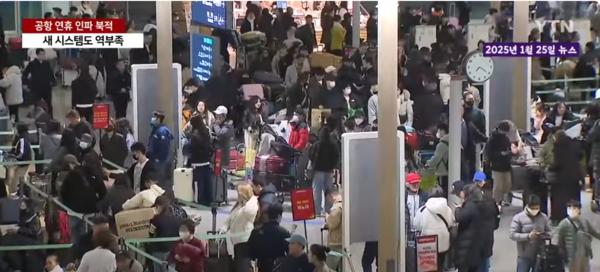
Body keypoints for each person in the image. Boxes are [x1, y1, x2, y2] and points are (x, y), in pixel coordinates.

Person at [413, 187, 455, 272]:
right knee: (440, 265)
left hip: (427, 244)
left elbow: (416, 225)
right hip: (443, 243)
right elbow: (451, 222)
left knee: (427, 268)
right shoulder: (447, 209)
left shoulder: (423, 209)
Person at [60, 155, 100, 241]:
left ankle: (76, 252)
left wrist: (66, 206)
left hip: (74, 210)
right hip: (90, 209)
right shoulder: (92, 174)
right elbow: (102, 190)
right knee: (89, 234)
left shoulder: (69, 176)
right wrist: (96, 201)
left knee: (75, 234)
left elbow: (63, 192)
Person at [220, 184, 258, 272]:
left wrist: (252, 198)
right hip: (237, 242)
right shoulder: (238, 205)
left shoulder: (251, 206)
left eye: (239, 193)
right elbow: (229, 219)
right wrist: (223, 228)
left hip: (245, 241)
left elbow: (249, 211)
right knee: (239, 266)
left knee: (243, 267)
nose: (238, 195)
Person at [510, 194, 551, 272]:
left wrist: (545, 235)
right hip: (524, 255)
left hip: (539, 254)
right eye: (532, 208)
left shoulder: (543, 217)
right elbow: (512, 234)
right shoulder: (518, 217)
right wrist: (528, 236)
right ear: (527, 206)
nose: (535, 210)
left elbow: (550, 231)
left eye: (537, 208)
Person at [549, 130, 583, 223]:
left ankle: (560, 218)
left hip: (562, 178)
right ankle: (575, 217)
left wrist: (550, 168)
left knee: (560, 198)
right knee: (574, 197)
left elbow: (558, 163)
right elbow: (580, 155)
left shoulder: (558, 147)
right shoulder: (574, 144)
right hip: (575, 176)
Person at [557, 200, 600, 271]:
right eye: (569, 208)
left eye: (574, 208)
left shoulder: (584, 221)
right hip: (572, 257)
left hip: (584, 255)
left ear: (579, 210)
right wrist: (564, 257)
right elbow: (560, 242)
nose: (571, 210)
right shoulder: (563, 224)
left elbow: (593, 232)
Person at [248, 203, 291, 272]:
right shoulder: (284, 233)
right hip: (278, 267)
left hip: (262, 266)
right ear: (279, 216)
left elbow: (250, 252)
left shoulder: (256, 232)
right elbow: (290, 253)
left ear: (267, 216)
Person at [452, 182, 484, 272]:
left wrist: (458, 208)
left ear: (464, 192)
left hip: (468, 249)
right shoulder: (473, 203)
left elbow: (460, 217)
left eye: (458, 193)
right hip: (471, 247)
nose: (458, 196)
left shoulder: (470, 205)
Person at [148, 195, 181, 272]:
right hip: (173, 250)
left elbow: (151, 233)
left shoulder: (156, 219)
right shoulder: (177, 219)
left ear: (158, 206)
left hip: (159, 249)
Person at [310, 127, 339, 216]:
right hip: (329, 170)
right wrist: (332, 166)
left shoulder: (317, 144)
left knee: (317, 191)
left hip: (318, 170)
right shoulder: (333, 145)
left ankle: (317, 210)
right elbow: (336, 156)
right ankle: (328, 210)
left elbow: (311, 155)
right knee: (328, 191)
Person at [485, 120, 513, 208]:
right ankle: (496, 204)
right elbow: (489, 153)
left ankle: (502, 200)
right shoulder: (492, 139)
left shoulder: (505, 138)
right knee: (498, 186)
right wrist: (500, 154)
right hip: (497, 166)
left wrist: (509, 153)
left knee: (507, 185)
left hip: (506, 165)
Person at [187, 116, 213, 206]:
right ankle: (208, 199)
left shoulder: (194, 134)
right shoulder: (206, 131)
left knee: (198, 183)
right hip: (206, 161)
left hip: (197, 163)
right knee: (207, 181)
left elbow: (191, 148)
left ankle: (200, 200)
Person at [22, 49, 56, 116]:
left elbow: (50, 73)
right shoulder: (32, 64)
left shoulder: (46, 63)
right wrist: (26, 84)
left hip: (46, 87)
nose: (43, 56)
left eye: (44, 54)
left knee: (49, 102)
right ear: (37, 55)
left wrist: (53, 81)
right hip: (36, 87)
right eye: (41, 54)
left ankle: (50, 116)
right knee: (36, 103)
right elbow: (25, 74)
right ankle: (37, 117)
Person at [405, 172, 428, 272]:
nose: (415, 185)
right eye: (413, 183)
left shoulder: (425, 196)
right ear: (407, 184)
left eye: (417, 183)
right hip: (408, 234)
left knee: (422, 263)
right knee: (410, 262)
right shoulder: (403, 197)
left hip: (422, 234)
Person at [148, 110, 173, 185]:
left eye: (154, 117)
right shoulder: (155, 130)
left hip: (161, 163)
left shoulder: (162, 131)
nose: (152, 119)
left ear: (159, 119)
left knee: (161, 183)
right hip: (156, 161)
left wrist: (158, 159)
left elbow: (164, 148)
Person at [6, 123, 32, 194]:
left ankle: (14, 194)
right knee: (20, 178)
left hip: (23, 162)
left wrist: (13, 156)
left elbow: (21, 153)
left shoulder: (22, 139)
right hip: (23, 162)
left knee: (16, 180)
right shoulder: (22, 137)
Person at [426, 123, 449, 197]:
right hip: (450, 169)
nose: (438, 132)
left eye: (439, 130)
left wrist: (428, 163)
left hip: (442, 172)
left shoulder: (442, 144)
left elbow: (436, 158)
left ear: (443, 131)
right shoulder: (453, 141)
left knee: (442, 191)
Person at [212, 105, 234, 169]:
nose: (217, 116)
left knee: (222, 175)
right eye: (216, 114)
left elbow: (220, 134)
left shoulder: (228, 125)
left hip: (223, 156)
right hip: (216, 155)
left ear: (224, 116)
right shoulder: (220, 124)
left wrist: (215, 124)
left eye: (219, 115)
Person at [325, 187, 342, 252]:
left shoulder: (336, 208)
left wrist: (327, 217)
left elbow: (332, 224)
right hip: (343, 241)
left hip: (336, 243)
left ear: (331, 195)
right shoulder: (345, 203)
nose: (329, 201)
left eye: (328, 199)